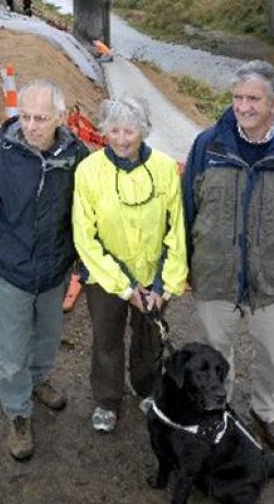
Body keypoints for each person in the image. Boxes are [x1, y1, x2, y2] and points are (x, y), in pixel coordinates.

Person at [183, 60, 274, 453]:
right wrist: (185, 260)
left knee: (272, 354)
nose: (244, 106)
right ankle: (219, 411)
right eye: (238, 97)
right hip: (216, 276)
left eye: (253, 98)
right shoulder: (207, 146)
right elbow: (186, 207)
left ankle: (267, 414)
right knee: (216, 356)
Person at [0, 79, 89, 460]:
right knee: (13, 349)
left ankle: (38, 380)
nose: (31, 126)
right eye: (25, 116)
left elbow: (87, 215)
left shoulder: (77, 155)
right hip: (12, 272)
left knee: (48, 336)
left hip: (54, 271)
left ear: (61, 118)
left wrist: (80, 265)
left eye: (41, 118)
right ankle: (18, 412)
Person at [72, 96, 188, 433]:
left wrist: (163, 287)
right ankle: (107, 401)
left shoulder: (165, 168)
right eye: (115, 130)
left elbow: (176, 231)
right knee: (106, 338)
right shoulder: (89, 171)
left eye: (130, 131)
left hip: (153, 277)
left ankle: (147, 389)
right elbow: (85, 237)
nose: (122, 139)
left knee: (149, 337)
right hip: (105, 279)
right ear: (105, 131)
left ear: (144, 131)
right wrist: (123, 285)